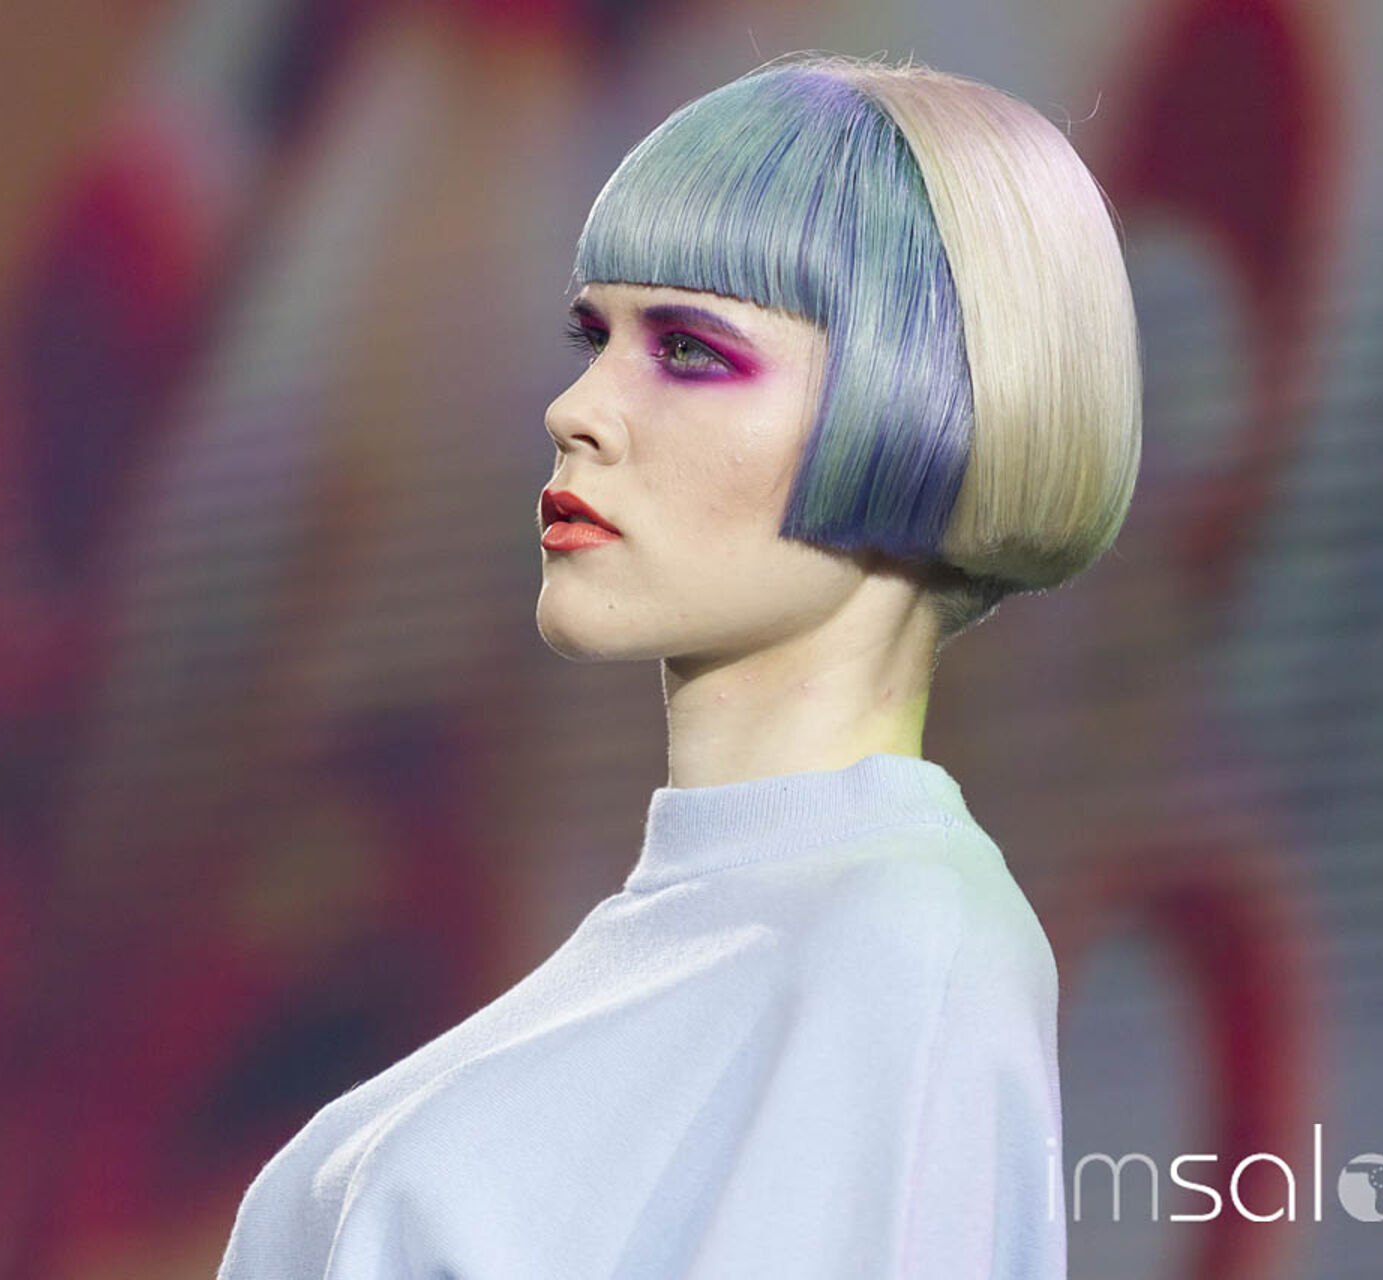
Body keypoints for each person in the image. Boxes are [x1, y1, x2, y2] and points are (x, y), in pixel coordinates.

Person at [219, 49, 1140, 1278]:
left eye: (692, 350)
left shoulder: (903, 940)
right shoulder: (700, 939)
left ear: (931, 406)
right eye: (592, 335)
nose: (577, 408)